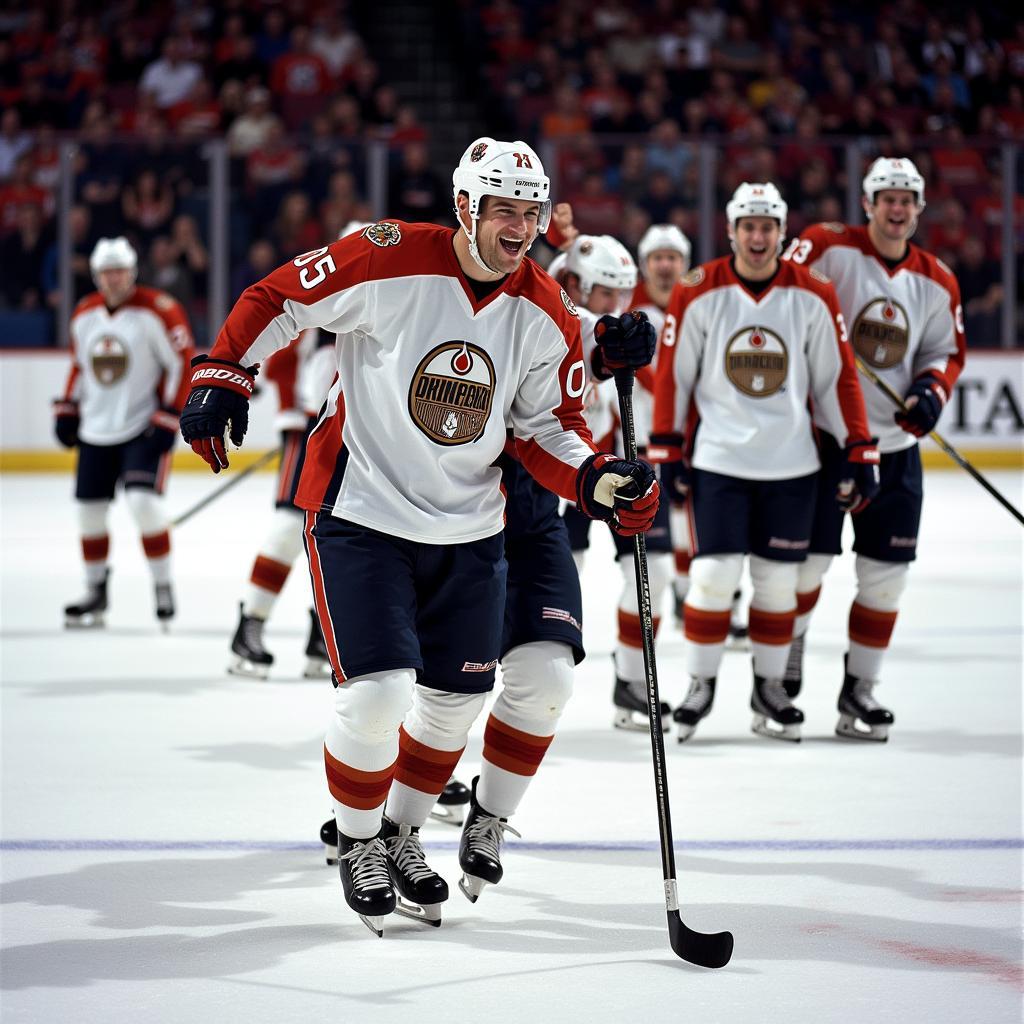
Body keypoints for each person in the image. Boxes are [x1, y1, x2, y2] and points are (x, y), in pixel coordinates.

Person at [178, 137, 659, 935]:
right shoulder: (391, 253)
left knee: (455, 700)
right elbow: (280, 295)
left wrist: (596, 479)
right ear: (465, 206)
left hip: (472, 530)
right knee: (376, 696)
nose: (518, 225)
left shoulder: (540, 308)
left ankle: (403, 835)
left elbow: (544, 428)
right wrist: (225, 369)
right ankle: (361, 841)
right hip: (361, 513)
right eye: (502, 208)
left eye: (530, 212)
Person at [650, 182, 879, 743]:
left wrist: (858, 446)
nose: (758, 236)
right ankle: (700, 686)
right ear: (731, 230)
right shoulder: (697, 289)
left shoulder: (815, 292)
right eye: (748, 226)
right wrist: (667, 446)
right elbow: (675, 375)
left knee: (778, 584)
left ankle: (769, 688)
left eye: (768, 226)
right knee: (713, 574)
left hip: (793, 464)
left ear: (781, 232)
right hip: (720, 461)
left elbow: (836, 377)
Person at [781, 157, 966, 740]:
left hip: (892, 445)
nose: (896, 207)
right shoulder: (827, 247)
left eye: (906, 198)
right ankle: (783, 666)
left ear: (919, 209)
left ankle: (860, 688)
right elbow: (785, 291)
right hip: (826, 440)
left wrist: (929, 392)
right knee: (806, 567)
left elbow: (944, 353)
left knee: (886, 577)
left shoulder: (936, 279)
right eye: (886, 197)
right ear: (867, 204)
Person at [551, 234, 676, 732]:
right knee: (561, 579)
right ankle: (531, 682)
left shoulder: (611, 328)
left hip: (622, 466)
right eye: (607, 293)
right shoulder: (549, 324)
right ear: (577, 284)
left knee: (656, 573)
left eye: (624, 294)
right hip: (567, 476)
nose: (617, 306)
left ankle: (631, 680)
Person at [56, 237, 194, 628]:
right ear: (96, 275)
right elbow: (80, 366)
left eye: (119, 271)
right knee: (89, 514)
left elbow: (181, 364)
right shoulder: (84, 313)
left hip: (142, 428)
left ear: (133, 272)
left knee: (143, 505)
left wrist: (170, 415)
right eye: (105, 272)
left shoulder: (159, 310)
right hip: (96, 430)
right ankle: (95, 590)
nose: (113, 279)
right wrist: (68, 408)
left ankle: (162, 584)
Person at [228, 329, 336, 678]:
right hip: (307, 427)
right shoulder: (323, 293)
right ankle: (250, 625)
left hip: (359, 433)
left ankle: (325, 632)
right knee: (289, 527)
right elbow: (278, 359)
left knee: (345, 531)